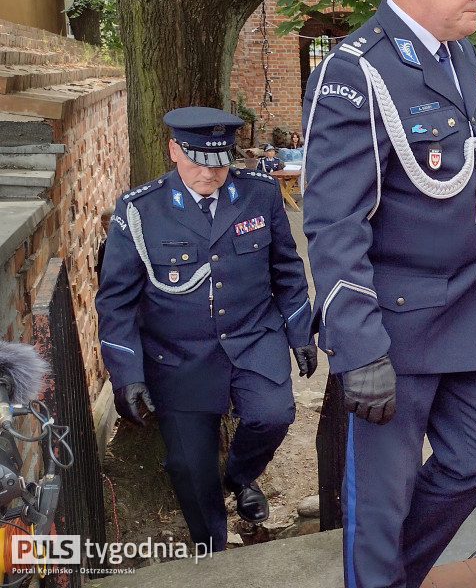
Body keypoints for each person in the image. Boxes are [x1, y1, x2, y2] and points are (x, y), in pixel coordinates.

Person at [299, 0, 476, 588]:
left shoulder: (458, 55)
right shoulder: (356, 72)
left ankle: (391, 577)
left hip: (463, 309)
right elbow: (333, 222)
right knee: (382, 498)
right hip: (392, 324)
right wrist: (357, 345)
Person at [95, 107, 316, 552]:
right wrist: (127, 375)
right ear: (173, 150)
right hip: (180, 355)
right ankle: (211, 551)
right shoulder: (140, 209)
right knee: (190, 468)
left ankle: (239, 476)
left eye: (218, 162)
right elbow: (115, 301)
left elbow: (287, 271)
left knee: (273, 416)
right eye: (196, 161)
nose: (208, 173)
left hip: (253, 337)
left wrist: (300, 333)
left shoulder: (260, 193)